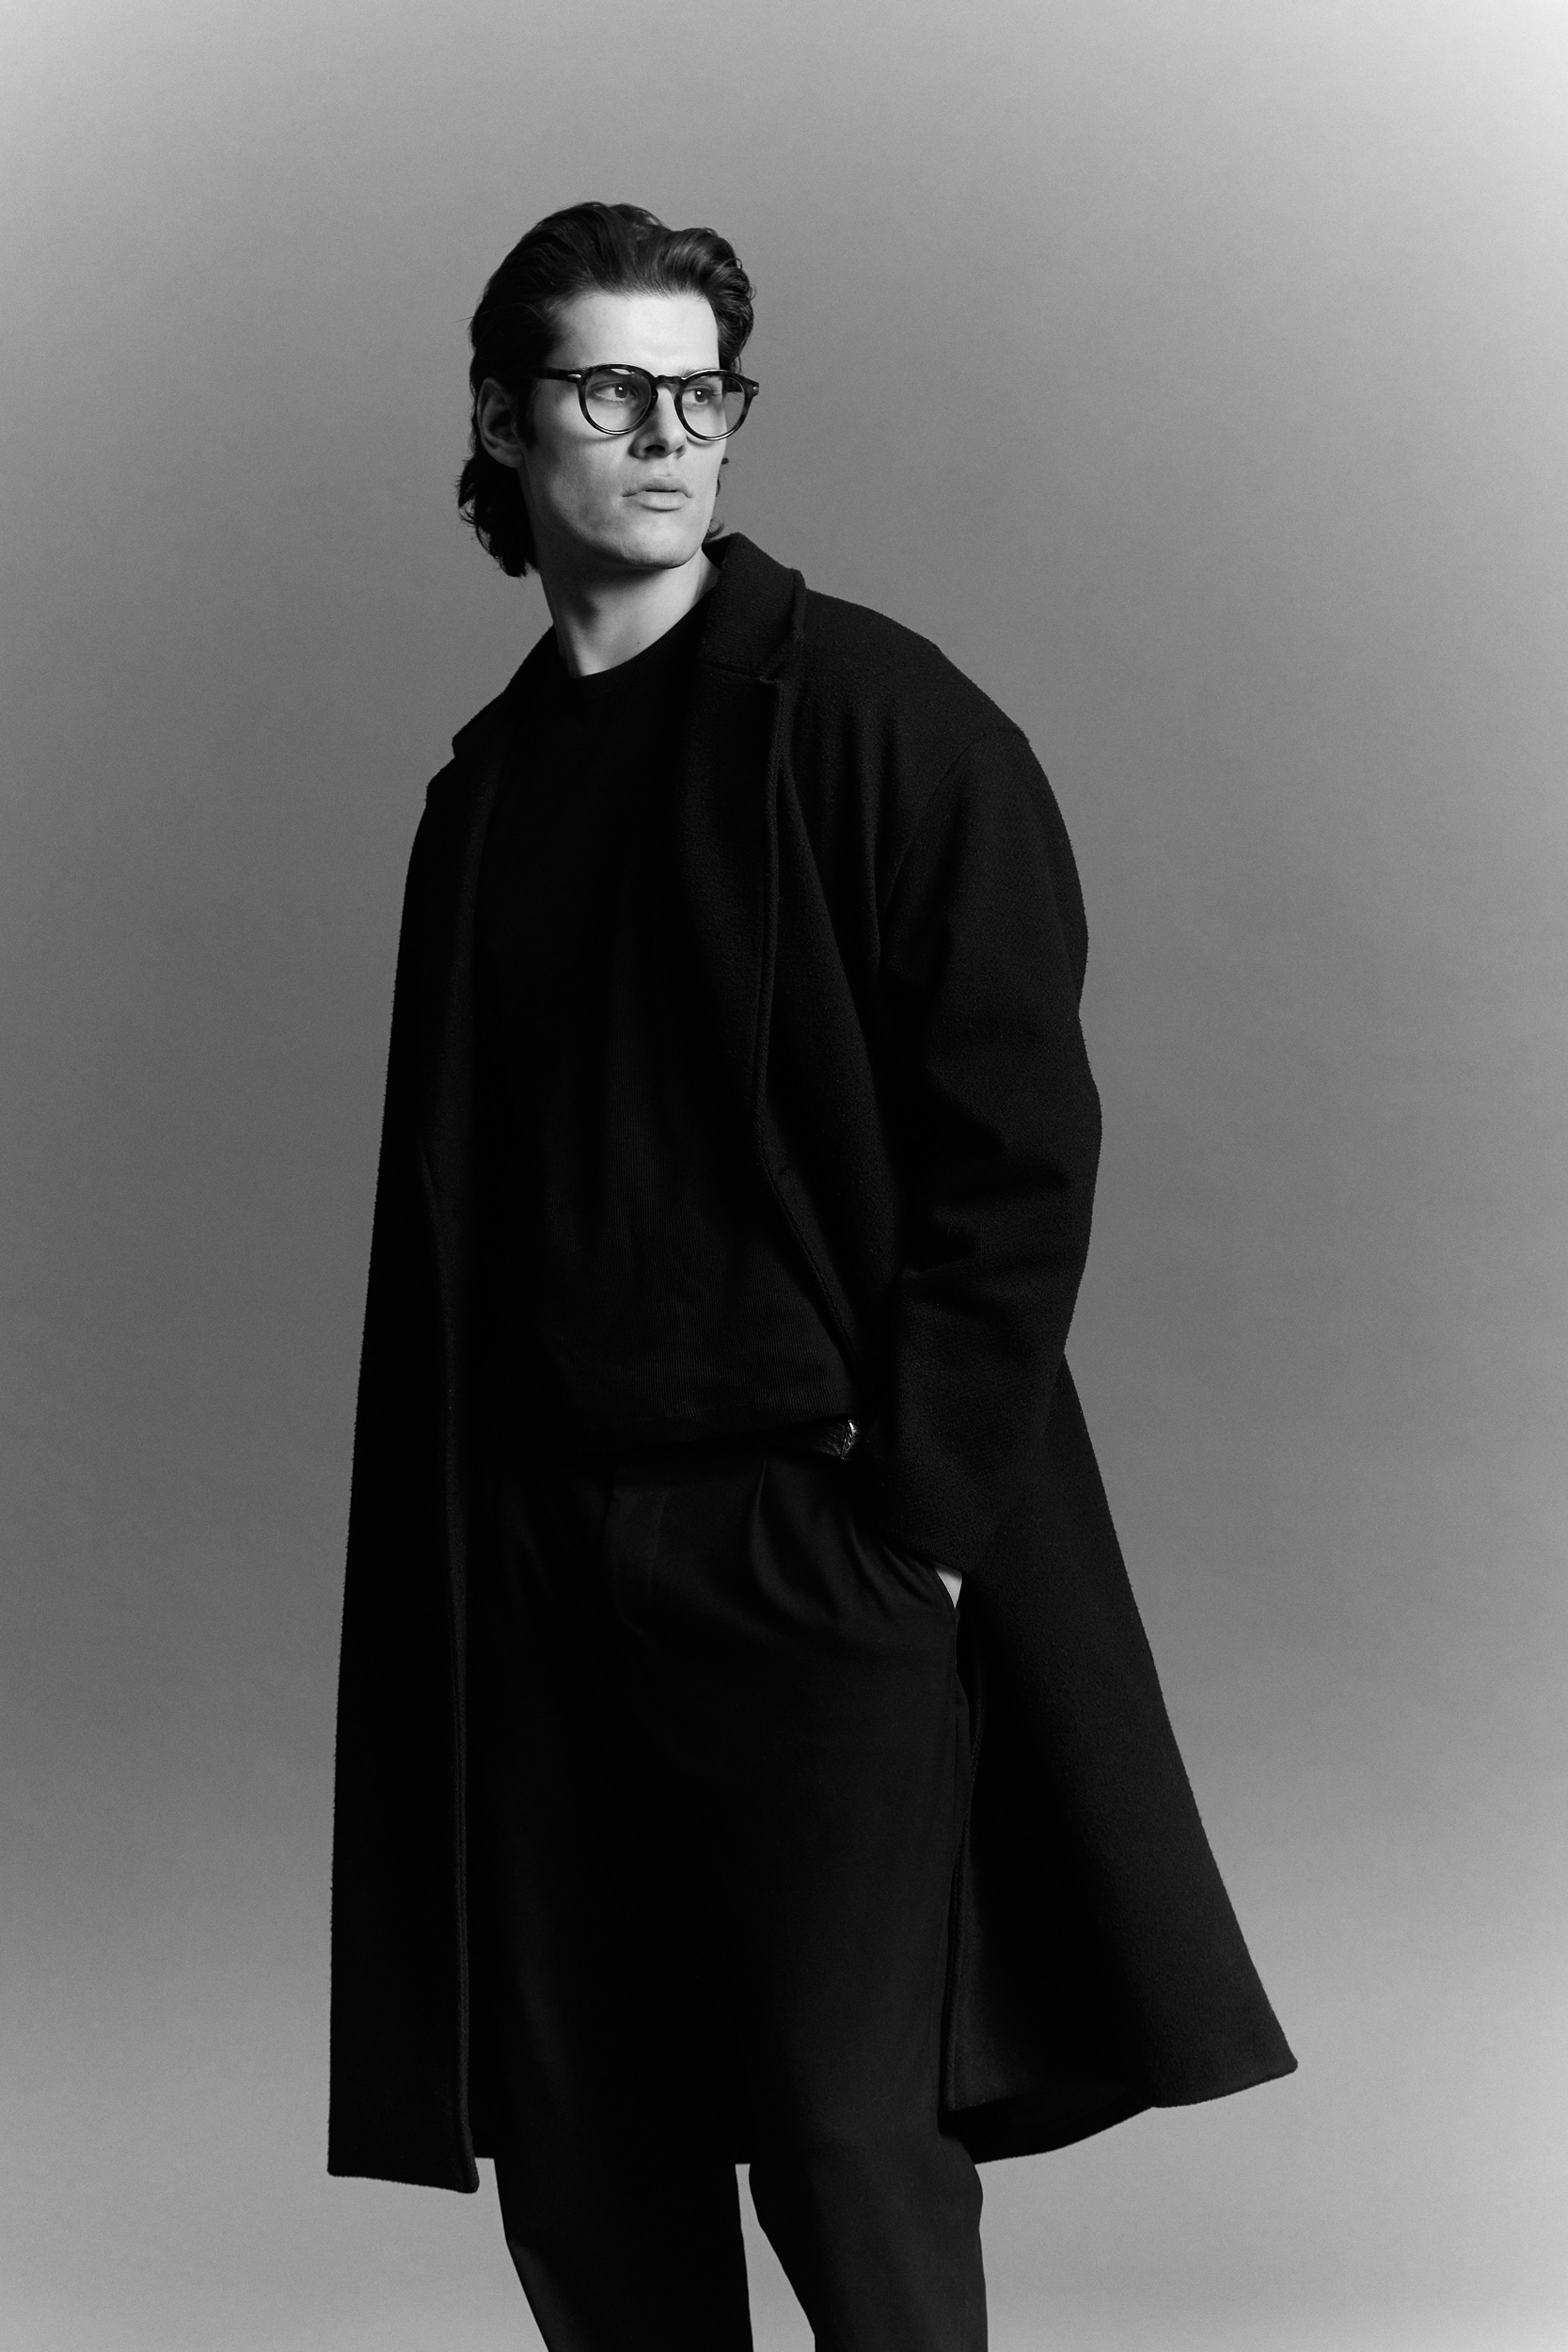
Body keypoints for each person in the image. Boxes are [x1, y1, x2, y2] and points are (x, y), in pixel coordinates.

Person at [328, 200, 1294, 2352]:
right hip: (539, 1561)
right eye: (611, 389)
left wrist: (910, 1531)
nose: (668, 436)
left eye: (704, 394)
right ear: (499, 416)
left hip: (808, 1535)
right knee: (587, 2140)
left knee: (849, 2137)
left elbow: (1014, 1148)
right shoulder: (486, 793)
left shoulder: (875, 717)